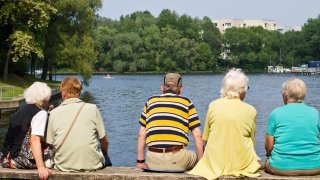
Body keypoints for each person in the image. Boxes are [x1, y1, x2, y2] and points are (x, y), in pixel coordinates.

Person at [188, 68, 260, 179]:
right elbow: (251, 141)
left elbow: (205, 138)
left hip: (215, 163)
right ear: (242, 90)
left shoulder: (213, 106)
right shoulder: (251, 110)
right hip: (241, 163)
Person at [136, 73, 203, 171]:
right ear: (181, 89)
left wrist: (140, 162)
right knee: (193, 156)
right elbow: (197, 136)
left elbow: (141, 134)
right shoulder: (187, 103)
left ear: (162, 88)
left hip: (153, 160)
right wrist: (202, 162)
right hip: (178, 159)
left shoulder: (150, 102)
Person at [46, 77, 111, 171]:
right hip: (92, 165)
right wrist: (105, 154)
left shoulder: (53, 113)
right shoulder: (92, 108)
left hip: (63, 166)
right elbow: (104, 140)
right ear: (79, 93)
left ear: (63, 93)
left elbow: (50, 143)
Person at [265, 78, 320, 176]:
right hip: (316, 167)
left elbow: (269, 146)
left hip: (280, 167)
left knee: (267, 163)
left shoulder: (276, 113)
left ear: (285, 95)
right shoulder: (315, 113)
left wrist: (269, 155)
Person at [0, 82, 53, 180]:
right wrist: (41, 167)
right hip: (22, 160)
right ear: (44, 98)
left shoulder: (18, 111)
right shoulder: (41, 113)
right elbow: (34, 140)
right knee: (55, 154)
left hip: (5, 158)